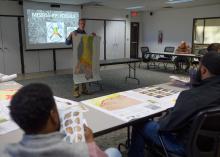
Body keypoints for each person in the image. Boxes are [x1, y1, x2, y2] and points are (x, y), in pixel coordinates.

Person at [128, 52, 220, 157]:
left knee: (139, 123)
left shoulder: (191, 96)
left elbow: (167, 126)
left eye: (199, 67)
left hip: (184, 147)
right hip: (212, 145)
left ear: (203, 70)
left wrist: (163, 118)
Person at [0, 83, 121, 157]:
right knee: (113, 151)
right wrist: (89, 141)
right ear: (53, 116)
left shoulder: (6, 152)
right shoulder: (78, 151)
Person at [66, 19, 91, 98]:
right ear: (78, 24)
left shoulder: (85, 33)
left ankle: (83, 89)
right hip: (76, 57)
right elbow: (67, 43)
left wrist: (92, 37)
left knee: (84, 73)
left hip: (84, 57)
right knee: (76, 74)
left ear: (85, 24)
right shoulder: (74, 33)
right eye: (81, 23)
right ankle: (76, 91)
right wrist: (70, 35)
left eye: (84, 23)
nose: (82, 25)